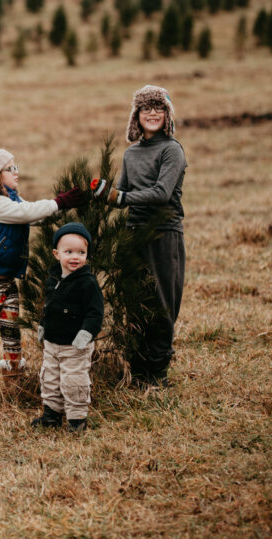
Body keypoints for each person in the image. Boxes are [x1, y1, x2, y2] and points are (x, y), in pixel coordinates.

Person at [0, 147, 87, 402]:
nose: (17, 172)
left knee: (12, 332)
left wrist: (60, 208)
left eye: (17, 167)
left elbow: (35, 217)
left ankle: (14, 387)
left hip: (8, 282)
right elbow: (27, 213)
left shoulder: (10, 198)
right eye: (10, 168)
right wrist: (59, 201)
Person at [94, 84, 186, 387]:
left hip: (163, 233)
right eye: (145, 107)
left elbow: (161, 193)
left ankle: (157, 373)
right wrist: (103, 194)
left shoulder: (172, 150)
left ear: (168, 115)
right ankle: (138, 371)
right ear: (136, 115)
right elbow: (122, 192)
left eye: (159, 107)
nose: (152, 113)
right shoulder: (131, 154)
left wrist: (119, 197)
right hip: (134, 234)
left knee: (161, 300)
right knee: (136, 300)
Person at [31, 222, 104, 432]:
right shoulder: (54, 278)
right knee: (49, 379)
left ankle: (76, 420)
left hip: (75, 346)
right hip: (52, 343)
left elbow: (95, 313)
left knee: (74, 383)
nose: (75, 257)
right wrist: (43, 326)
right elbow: (49, 306)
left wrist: (86, 333)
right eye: (69, 252)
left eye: (81, 252)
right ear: (56, 254)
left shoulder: (87, 282)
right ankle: (51, 416)